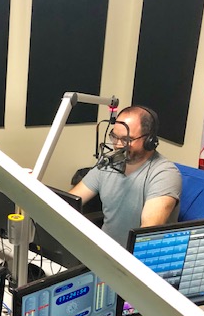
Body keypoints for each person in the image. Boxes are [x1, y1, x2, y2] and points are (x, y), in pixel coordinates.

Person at [69, 105, 182, 247]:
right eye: (114, 137)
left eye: (126, 139)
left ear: (149, 141)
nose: (117, 145)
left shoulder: (165, 174)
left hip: (134, 257)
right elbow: (69, 201)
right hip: (103, 251)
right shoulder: (109, 163)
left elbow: (146, 235)